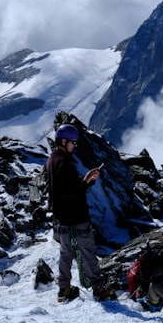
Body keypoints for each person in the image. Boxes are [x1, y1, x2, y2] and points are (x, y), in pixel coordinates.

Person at [46, 123, 115, 302]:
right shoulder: (64, 163)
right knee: (88, 252)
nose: (75, 146)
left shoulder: (53, 160)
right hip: (76, 215)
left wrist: (85, 179)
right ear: (63, 141)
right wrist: (87, 181)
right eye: (73, 142)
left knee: (66, 253)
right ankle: (98, 288)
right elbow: (72, 191)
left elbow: (64, 187)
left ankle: (64, 290)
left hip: (62, 217)